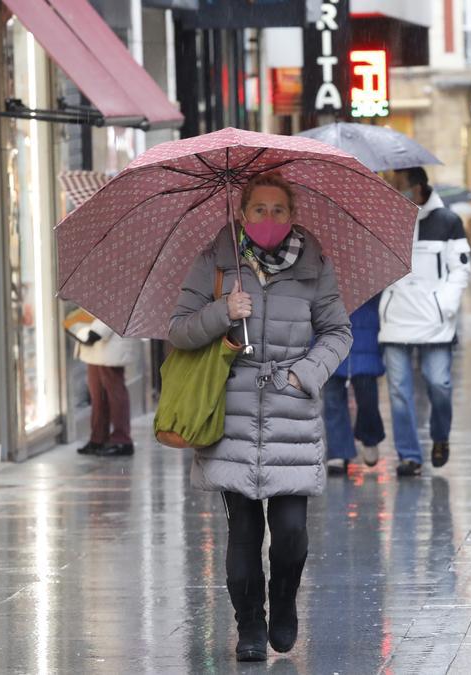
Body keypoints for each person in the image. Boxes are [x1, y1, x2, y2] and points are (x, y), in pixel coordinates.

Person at [169, 171, 352, 662]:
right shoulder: (216, 259)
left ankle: (286, 602)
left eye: (278, 210)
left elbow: (338, 332)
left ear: (292, 215)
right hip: (231, 411)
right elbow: (179, 331)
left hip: (291, 411)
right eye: (259, 210)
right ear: (241, 213)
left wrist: (305, 375)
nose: (268, 219)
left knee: (291, 530)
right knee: (244, 531)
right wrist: (223, 311)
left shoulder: (314, 264)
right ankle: (249, 621)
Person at [379, 167, 471, 477]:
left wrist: (444, 306)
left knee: (439, 384)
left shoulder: (448, 222)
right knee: (398, 392)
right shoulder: (388, 221)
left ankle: (440, 436)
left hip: (435, 322)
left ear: (417, 188)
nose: (395, 190)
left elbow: (460, 270)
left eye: (400, 185)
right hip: (396, 320)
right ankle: (409, 456)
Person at [323, 295, 386, 475]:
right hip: (330, 333)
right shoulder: (322, 270)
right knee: (333, 399)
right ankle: (338, 451)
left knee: (367, 395)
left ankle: (370, 437)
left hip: (366, 333)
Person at [75, 318, 138, 457]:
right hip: (96, 343)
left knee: (115, 394)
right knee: (97, 395)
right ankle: (98, 438)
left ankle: (122, 440)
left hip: (110, 342)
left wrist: (97, 331)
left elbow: (116, 311)